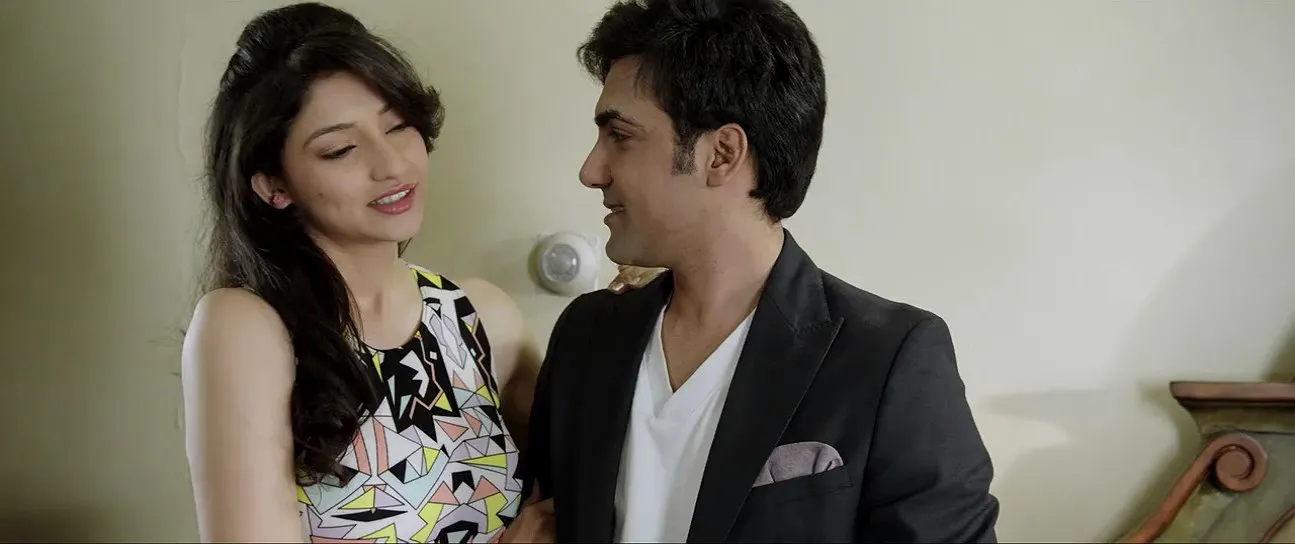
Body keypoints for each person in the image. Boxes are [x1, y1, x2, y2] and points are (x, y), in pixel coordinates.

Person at [519, 0, 1001, 542]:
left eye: (620, 136)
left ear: (722, 154)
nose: (591, 171)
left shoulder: (888, 359)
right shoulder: (586, 335)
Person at [180, 3, 656, 542]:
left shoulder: (480, 319)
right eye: (340, 149)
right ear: (274, 185)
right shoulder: (246, 328)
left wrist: (643, 315)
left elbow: (606, 479)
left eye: (398, 126)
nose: (391, 165)